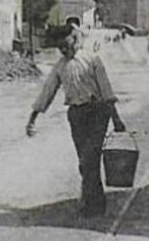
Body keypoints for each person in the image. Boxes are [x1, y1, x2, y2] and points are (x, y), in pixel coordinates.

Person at [26, 31, 126, 218]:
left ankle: (91, 204)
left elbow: (106, 91)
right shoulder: (60, 67)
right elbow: (47, 92)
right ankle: (96, 201)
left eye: (68, 45)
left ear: (76, 42)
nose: (65, 50)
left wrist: (116, 119)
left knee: (90, 158)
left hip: (98, 112)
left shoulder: (92, 60)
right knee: (84, 161)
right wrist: (33, 118)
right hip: (76, 115)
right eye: (61, 48)